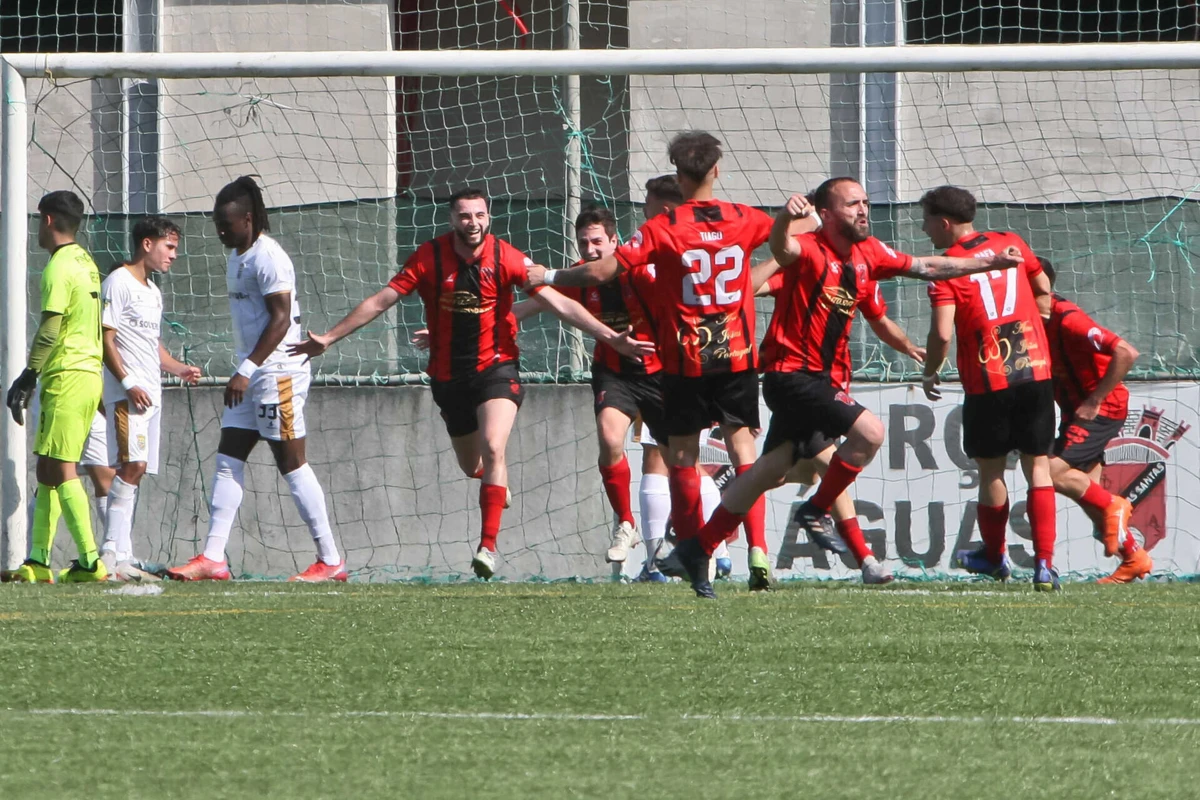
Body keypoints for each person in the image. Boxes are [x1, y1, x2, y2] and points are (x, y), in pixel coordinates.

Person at [675, 179, 1024, 598]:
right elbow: (781, 247)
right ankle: (818, 511)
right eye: (852, 204)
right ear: (826, 214)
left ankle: (698, 547)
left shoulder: (869, 253)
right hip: (792, 376)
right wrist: (787, 217)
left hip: (820, 380)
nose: (863, 210)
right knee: (870, 433)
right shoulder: (808, 251)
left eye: (866, 202)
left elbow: (928, 267)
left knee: (769, 470)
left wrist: (988, 262)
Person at [289, 187, 653, 580]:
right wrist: (329, 337)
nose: (473, 223)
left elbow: (558, 302)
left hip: (497, 369)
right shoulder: (430, 257)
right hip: (448, 376)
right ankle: (494, 486)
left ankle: (488, 547)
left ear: (488, 217)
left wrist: (608, 336)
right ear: (452, 220)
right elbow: (382, 301)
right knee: (473, 464)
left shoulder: (506, 256)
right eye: (465, 216)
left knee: (495, 447)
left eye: (479, 215)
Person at [527, 132, 777, 593]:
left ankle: (696, 560)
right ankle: (750, 548)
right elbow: (787, 241)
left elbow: (602, 270)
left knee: (678, 457)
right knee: (745, 455)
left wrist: (547, 274)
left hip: (679, 360)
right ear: (716, 170)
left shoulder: (662, 230)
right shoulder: (744, 218)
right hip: (736, 356)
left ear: (679, 177)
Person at [166, 176, 345, 582]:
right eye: (217, 226)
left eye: (226, 225)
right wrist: (244, 369)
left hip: (277, 372)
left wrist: (246, 370)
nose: (221, 232)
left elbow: (281, 320)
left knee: (291, 463)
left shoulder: (269, 257)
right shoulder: (237, 255)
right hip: (250, 372)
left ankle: (331, 560)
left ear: (248, 219)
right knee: (228, 459)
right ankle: (213, 558)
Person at [917, 185, 1060, 591]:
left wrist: (930, 372)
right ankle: (1045, 565)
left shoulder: (947, 266)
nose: (924, 229)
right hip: (1034, 371)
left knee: (991, 470)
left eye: (927, 221)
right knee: (1038, 467)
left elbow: (942, 334)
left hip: (988, 379)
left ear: (944, 223)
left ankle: (995, 557)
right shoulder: (1010, 242)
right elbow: (1043, 289)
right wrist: (1039, 314)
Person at [5, 190, 107, 583]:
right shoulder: (86, 261)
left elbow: (50, 328)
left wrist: (28, 375)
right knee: (47, 466)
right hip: (86, 375)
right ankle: (39, 561)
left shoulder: (59, 267)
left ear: (47, 220)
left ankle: (90, 561)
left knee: (62, 467)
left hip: (67, 375)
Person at [100, 216, 202, 579]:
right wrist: (128, 382)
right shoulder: (119, 281)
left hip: (151, 395)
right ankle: (111, 553)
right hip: (130, 395)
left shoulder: (154, 292)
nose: (174, 255)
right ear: (147, 244)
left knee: (138, 469)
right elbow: (105, 338)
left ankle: (122, 554)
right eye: (169, 246)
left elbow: (153, 347)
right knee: (132, 467)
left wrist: (178, 369)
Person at [1039, 259, 1146, 583]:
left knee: (1050, 473)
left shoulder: (1069, 319)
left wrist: (1095, 399)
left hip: (1101, 409)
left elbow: (1126, 352)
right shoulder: (1029, 321)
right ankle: (1133, 557)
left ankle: (1117, 504)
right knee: (1085, 491)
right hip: (1074, 409)